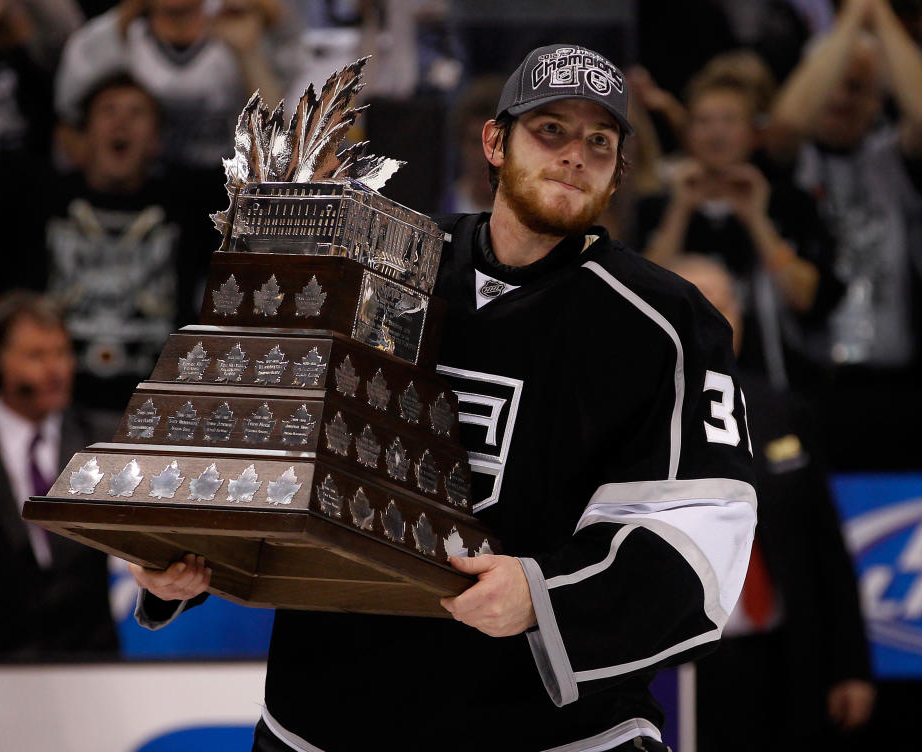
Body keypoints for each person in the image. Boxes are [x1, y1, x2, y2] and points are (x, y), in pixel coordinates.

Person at [131, 44, 757, 752]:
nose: (575, 154)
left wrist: (545, 596)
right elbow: (264, 438)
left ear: (616, 174)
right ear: (495, 141)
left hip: (549, 733)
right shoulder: (379, 266)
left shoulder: (666, 324)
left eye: (600, 142)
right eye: (550, 130)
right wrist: (176, 558)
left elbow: (705, 530)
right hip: (329, 716)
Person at [668, 254, 875, 752]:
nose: (710, 321)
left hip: (785, 659)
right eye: (693, 307)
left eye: (722, 306)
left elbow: (825, 547)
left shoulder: (783, 409)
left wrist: (850, 667)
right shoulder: (634, 418)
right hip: (680, 666)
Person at [0, 70, 221, 410]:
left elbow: (279, 178)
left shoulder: (187, 201)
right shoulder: (41, 193)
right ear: (82, 137)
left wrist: (247, 52)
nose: (121, 123)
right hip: (56, 410)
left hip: (158, 409)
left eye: (136, 112)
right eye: (108, 111)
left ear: (157, 140)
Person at [764, 0, 922, 468]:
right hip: (814, 387)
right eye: (830, 84)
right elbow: (788, 121)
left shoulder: (894, 158)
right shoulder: (793, 165)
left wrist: (879, 16)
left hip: (900, 386)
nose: (838, 98)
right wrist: (852, 19)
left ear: (878, 98)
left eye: (855, 88)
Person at [638, 54, 842, 390]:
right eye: (704, 121)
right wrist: (679, 210)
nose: (716, 133)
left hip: (775, 384)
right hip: (679, 387)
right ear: (687, 132)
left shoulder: (790, 204)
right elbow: (640, 299)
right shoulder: (657, 207)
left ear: (755, 133)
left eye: (730, 120)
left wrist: (757, 220)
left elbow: (805, 297)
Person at [0, 290, 119, 660]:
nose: (55, 370)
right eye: (36, 355)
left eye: (62, 352)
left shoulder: (106, 442)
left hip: (90, 663)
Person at [54, 0, 302, 170]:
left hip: (226, 194)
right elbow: (69, 135)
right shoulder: (109, 39)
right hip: (145, 197)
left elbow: (280, 144)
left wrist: (247, 54)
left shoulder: (243, 34)